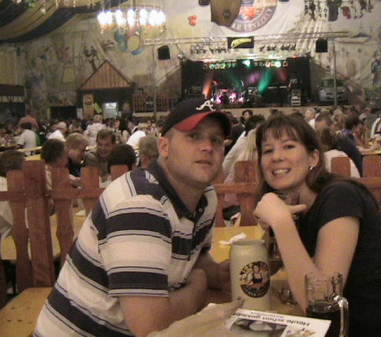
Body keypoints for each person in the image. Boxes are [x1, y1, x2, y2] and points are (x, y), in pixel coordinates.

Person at [33, 97, 232, 337]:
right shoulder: (140, 205)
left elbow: (194, 257)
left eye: (216, 140)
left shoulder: (205, 198)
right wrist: (199, 287)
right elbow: (151, 327)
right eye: (194, 136)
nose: (208, 147)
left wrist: (216, 273)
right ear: (164, 147)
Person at [253, 114, 381, 337]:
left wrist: (281, 222)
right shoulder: (299, 207)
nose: (276, 157)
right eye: (267, 150)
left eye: (288, 146)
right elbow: (272, 271)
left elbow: (321, 302)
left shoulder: (339, 196)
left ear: (313, 158)